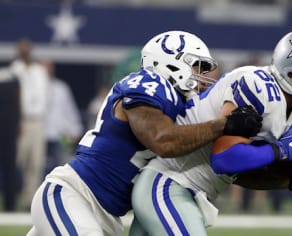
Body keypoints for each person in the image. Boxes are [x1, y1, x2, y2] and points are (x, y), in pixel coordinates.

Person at [27, 31, 261, 236]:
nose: (204, 77)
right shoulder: (149, 84)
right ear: (171, 63)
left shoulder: (179, 105)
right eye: (197, 66)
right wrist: (223, 124)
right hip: (75, 196)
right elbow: (163, 141)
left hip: (107, 215)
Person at [130, 29, 292, 235]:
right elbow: (224, 158)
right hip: (168, 184)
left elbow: (236, 174)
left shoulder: (291, 109)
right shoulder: (258, 86)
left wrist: (289, 180)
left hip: (180, 189)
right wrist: (280, 151)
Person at [9, 38, 49, 210]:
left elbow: (44, 97)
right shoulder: (14, 70)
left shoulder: (39, 71)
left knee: (36, 162)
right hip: (20, 121)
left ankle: (29, 201)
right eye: (21, 49)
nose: (25, 52)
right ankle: (12, 197)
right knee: (17, 161)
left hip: (38, 121)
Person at [41, 61, 84, 177]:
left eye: (49, 67)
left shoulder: (61, 88)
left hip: (59, 135)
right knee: (39, 169)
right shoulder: (33, 88)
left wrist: (76, 128)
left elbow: (69, 109)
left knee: (59, 168)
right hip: (40, 135)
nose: (47, 70)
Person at [0, 68, 20, 212]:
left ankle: (10, 205)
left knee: (10, 167)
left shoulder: (13, 78)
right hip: (9, 127)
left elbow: (18, 101)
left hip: (9, 128)